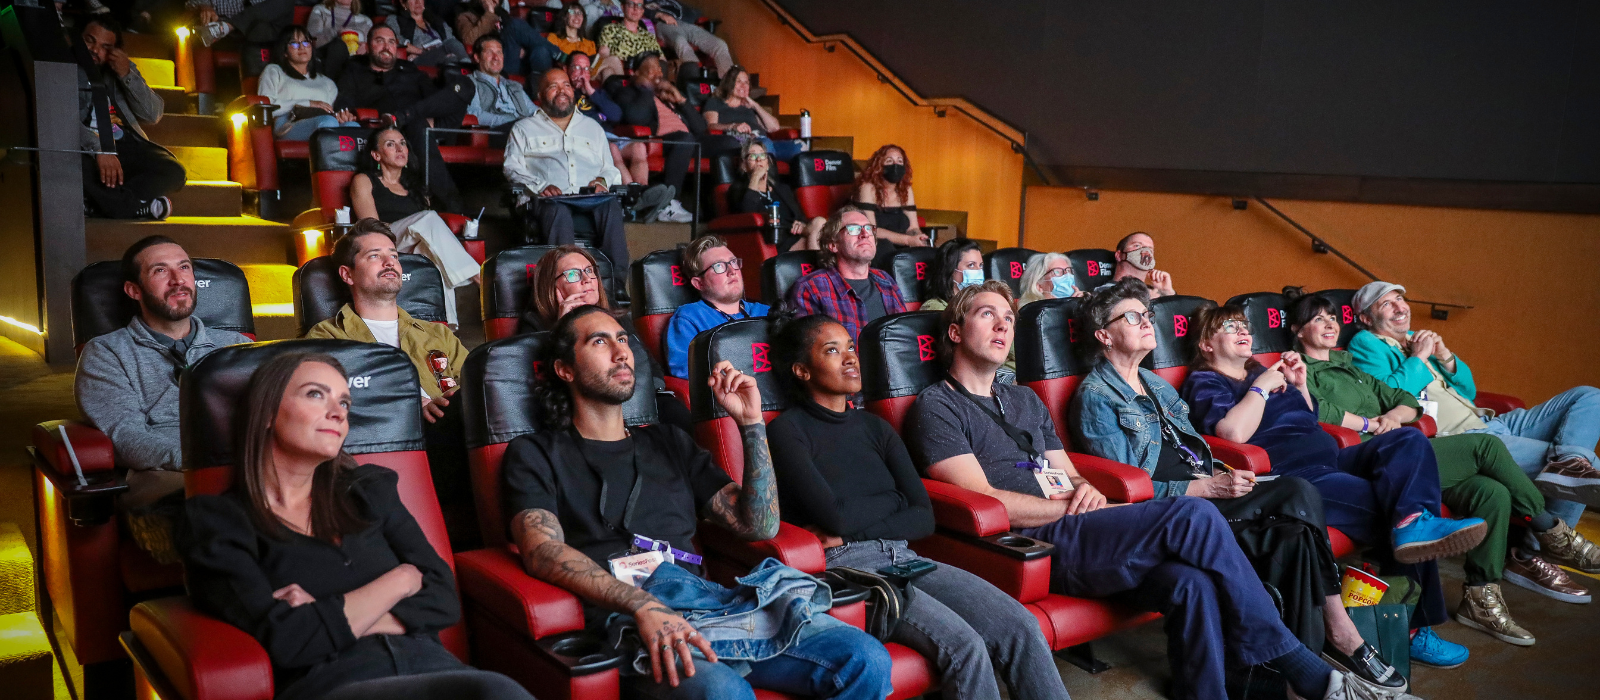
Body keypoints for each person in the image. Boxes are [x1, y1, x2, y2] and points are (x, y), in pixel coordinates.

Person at [907, 281, 1419, 700]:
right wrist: (1067, 503)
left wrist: (1084, 489)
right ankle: (1297, 663)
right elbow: (984, 505)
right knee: (1192, 517)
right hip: (1029, 546)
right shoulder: (937, 406)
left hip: (1081, 521)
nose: (1001, 325)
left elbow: (1069, 469)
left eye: (1007, 317)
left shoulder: (1021, 399)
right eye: (986, 315)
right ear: (954, 331)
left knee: (1189, 583)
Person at [503, 306, 894, 700]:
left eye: (623, 339)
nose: (621, 352)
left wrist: (751, 425)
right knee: (723, 692)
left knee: (866, 658)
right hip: (626, 618)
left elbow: (759, 526)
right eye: (599, 341)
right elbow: (541, 550)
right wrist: (642, 607)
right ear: (564, 370)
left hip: (709, 606)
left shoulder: (669, 442)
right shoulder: (534, 453)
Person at [180, 352, 536, 700]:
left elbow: (442, 599)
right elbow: (289, 642)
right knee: (494, 690)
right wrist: (403, 580)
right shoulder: (216, 521)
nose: (338, 413)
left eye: (346, 403)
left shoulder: (368, 490)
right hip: (334, 684)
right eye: (316, 394)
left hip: (438, 669)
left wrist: (324, 614)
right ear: (267, 411)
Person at [769, 314, 1069, 700]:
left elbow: (922, 516)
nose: (849, 358)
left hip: (904, 555)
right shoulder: (786, 431)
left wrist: (867, 516)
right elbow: (833, 516)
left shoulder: (875, 428)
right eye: (831, 350)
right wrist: (892, 504)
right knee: (967, 648)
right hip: (848, 568)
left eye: (849, 347)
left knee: (1020, 626)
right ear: (802, 371)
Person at [1177, 302, 1486, 669]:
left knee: (1408, 442)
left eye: (1244, 324)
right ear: (1207, 345)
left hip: (1332, 458)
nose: (1243, 330)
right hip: (1296, 477)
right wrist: (1260, 389)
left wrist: (1300, 385)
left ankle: (1414, 522)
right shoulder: (1206, 382)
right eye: (1229, 326)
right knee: (1396, 514)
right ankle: (1414, 629)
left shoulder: (1262, 370)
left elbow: (1307, 417)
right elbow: (1232, 432)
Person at [1289, 292, 1600, 647]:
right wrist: (1371, 424)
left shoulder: (1349, 366)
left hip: (1406, 448)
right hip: (1373, 456)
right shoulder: (1301, 369)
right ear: (1298, 331)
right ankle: (1553, 531)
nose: (1330, 323)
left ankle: (1481, 597)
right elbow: (1316, 412)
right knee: (1486, 446)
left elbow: (1405, 401)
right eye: (1318, 319)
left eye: (1332, 317)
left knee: (1491, 492)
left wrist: (1392, 415)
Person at [1346, 280, 1600, 565]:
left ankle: (1569, 461)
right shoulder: (1366, 344)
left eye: (1400, 300)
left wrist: (1445, 356)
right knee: (1589, 470)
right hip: (1465, 436)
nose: (1399, 307)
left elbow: (1467, 391)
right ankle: (1534, 556)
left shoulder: (1417, 338)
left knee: (1589, 397)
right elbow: (1387, 395)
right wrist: (1420, 357)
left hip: (1492, 421)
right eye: (1386, 304)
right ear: (1366, 318)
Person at [76, 236, 254, 561]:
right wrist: (204, 460)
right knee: (229, 510)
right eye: (161, 270)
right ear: (134, 290)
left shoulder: (237, 345)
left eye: (184, 267)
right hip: (164, 471)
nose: (178, 280)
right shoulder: (106, 352)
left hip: (248, 462)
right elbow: (125, 436)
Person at [304, 220, 476, 548]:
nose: (390, 263)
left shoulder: (437, 334)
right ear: (347, 274)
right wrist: (412, 406)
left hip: (451, 431)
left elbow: (475, 387)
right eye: (374, 256)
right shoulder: (328, 337)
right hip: (382, 443)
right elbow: (324, 405)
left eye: (394, 255)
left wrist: (451, 401)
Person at [517, 246, 693, 430]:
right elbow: (546, 387)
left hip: (635, 399)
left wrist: (645, 396)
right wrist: (563, 327)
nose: (587, 280)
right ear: (551, 286)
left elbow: (650, 367)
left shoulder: (616, 317)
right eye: (572, 275)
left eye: (589, 271)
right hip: (582, 410)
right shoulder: (535, 324)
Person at [504, 68, 633, 282]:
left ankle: (616, 284)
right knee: (557, 208)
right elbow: (511, 167)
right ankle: (568, 281)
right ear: (539, 95)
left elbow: (610, 169)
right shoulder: (524, 129)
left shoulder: (592, 128)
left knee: (610, 203)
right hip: (547, 199)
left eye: (566, 85)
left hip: (589, 197)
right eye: (553, 86)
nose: (561, 90)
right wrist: (541, 185)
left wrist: (602, 181)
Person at [333, 24, 474, 214]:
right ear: (367, 46)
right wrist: (345, 110)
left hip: (424, 119)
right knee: (417, 126)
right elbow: (345, 97)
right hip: (390, 128)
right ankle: (453, 208)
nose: (386, 46)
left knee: (465, 85)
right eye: (379, 41)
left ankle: (405, 116)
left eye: (391, 42)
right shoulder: (355, 69)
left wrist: (418, 113)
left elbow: (435, 99)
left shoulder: (409, 69)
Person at [348, 127, 480, 326]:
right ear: (376, 155)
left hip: (411, 245)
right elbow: (371, 228)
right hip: (384, 242)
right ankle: (478, 276)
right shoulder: (364, 181)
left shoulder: (415, 187)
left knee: (434, 261)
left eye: (403, 143)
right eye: (390, 144)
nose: (399, 148)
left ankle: (445, 327)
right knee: (429, 218)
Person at [79, 17, 184, 220]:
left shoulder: (122, 69)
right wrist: (100, 149)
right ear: (78, 38)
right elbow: (62, 121)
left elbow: (152, 115)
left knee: (173, 171)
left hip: (123, 144)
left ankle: (105, 204)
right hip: (85, 147)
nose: (94, 49)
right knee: (71, 164)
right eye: (89, 40)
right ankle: (134, 207)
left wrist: (127, 74)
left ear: (114, 51)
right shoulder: (61, 68)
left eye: (104, 46)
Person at [609, 52, 725, 223]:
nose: (659, 74)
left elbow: (700, 129)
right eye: (652, 71)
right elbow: (636, 118)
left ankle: (731, 212)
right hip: (664, 142)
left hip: (690, 142)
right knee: (684, 140)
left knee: (730, 143)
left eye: (659, 70)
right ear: (636, 74)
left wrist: (680, 100)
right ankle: (668, 204)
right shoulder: (628, 93)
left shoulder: (666, 97)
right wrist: (645, 88)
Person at [787, 206, 908, 343]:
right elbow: (808, 350)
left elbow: (905, 336)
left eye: (869, 228)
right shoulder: (811, 288)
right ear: (833, 244)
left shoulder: (886, 280)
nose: (865, 234)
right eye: (853, 229)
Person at [663, 236, 770, 378]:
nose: (732, 271)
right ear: (699, 283)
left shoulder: (765, 312)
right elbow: (689, 374)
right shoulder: (688, 318)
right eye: (719, 266)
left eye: (733, 262)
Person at [259, 26, 360, 141]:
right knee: (328, 122)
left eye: (306, 42)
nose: (302, 47)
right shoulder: (274, 71)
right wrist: (308, 103)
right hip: (288, 122)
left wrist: (342, 116)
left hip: (325, 121)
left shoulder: (326, 82)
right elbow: (265, 108)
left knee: (353, 127)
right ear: (285, 52)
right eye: (294, 43)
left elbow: (332, 111)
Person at [724, 140, 824, 252]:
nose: (759, 159)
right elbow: (747, 216)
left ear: (768, 162)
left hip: (794, 235)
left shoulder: (782, 189)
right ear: (744, 165)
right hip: (772, 242)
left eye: (762, 155)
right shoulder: (737, 190)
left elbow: (798, 217)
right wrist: (755, 179)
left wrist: (800, 224)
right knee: (822, 243)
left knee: (819, 222)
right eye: (752, 156)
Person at [852, 144, 931, 267]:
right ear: (879, 166)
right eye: (889, 161)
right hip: (876, 243)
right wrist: (907, 240)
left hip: (903, 244)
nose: (895, 165)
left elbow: (913, 227)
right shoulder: (867, 188)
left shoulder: (906, 189)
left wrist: (918, 237)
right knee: (886, 248)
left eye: (900, 161)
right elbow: (871, 230)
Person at [703, 67, 799, 159]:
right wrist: (733, 126)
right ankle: (764, 173)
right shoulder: (715, 102)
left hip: (764, 141)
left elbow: (774, 127)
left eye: (746, 82)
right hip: (744, 144)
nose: (743, 86)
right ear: (729, 84)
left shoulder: (750, 106)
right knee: (764, 146)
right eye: (738, 81)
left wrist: (754, 105)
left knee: (798, 147)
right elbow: (710, 126)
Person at [456, 0, 561, 78]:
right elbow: (469, 39)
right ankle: (558, 54)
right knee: (515, 24)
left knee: (541, 51)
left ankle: (542, 92)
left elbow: (519, 37)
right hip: (498, 60)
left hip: (519, 58)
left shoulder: (502, 14)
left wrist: (521, 49)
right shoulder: (466, 16)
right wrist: (490, 13)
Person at [643, 1, 732, 79]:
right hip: (662, 24)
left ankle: (731, 83)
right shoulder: (642, 2)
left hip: (684, 23)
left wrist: (697, 20)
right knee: (680, 41)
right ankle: (696, 79)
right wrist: (659, 14)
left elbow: (694, 12)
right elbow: (637, 9)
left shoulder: (671, 2)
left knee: (720, 44)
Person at [465, 35, 538, 129]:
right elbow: (474, 114)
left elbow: (533, 111)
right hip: (500, 132)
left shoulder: (514, 85)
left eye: (499, 52)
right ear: (477, 58)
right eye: (489, 52)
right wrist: (514, 122)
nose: (496, 57)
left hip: (527, 130)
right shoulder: (470, 82)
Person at [385, 0, 467, 68]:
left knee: (452, 56)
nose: (418, 2)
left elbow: (451, 40)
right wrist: (421, 51)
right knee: (451, 50)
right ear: (403, 3)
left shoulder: (436, 20)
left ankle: (467, 72)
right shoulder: (394, 20)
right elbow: (396, 41)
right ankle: (468, 70)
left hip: (444, 54)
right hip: (421, 58)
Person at [593, 0, 660, 82]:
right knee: (608, 69)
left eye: (639, 5)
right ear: (623, 7)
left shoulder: (649, 36)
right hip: (620, 71)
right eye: (631, 4)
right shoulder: (611, 29)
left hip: (646, 75)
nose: (635, 9)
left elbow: (662, 59)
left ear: (642, 10)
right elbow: (603, 54)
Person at [918, 238, 985, 313]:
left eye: (981, 265)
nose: (979, 270)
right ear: (951, 269)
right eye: (971, 265)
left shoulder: (979, 301)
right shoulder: (935, 306)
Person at [1110, 231, 1174, 297]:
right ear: (1119, 256)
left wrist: (1168, 294)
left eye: (1150, 249)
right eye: (1137, 246)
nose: (1146, 251)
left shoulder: (1155, 293)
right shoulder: (1103, 292)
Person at [307, 0, 373, 55]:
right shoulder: (320, 10)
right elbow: (312, 41)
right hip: (326, 60)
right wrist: (336, 32)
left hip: (356, 63)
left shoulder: (366, 21)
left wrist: (367, 47)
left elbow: (375, 47)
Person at [1017, 252, 1082, 307]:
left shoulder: (1079, 306)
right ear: (1039, 286)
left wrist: (1085, 306)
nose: (1066, 275)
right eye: (1057, 272)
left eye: (1068, 270)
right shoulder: (1033, 314)